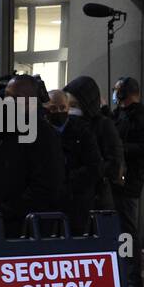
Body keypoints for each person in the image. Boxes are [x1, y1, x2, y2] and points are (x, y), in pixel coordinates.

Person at [0, 74, 66, 238]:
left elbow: (46, 188)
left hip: (19, 230)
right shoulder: (1, 128)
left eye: (15, 98)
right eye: (6, 96)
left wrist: (4, 210)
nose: (7, 101)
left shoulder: (44, 135)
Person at [111, 77, 144, 287]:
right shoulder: (118, 114)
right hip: (115, 180)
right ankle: (121, 272)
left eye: (117, 91)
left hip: (128, 182)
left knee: (126, 231)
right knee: (119, 229)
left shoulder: (142, 116)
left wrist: (122, 148)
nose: (115, 94)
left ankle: (132, 276)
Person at [64, 75, 124, 216]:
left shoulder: (103, 125)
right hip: (70, 199)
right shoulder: (67, 124)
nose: (70, 111)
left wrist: (88, 172)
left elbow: (114, 163)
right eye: (69, 106)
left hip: (95, 200)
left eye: (74, 106)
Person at [47, 89, 103, 237]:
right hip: (47, 204)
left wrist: (68, 180)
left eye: (62, 108)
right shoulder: (41, 132)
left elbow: (94, 166)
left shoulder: (82, 131)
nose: (58, 112)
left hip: (76, 203)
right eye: (53, 108)